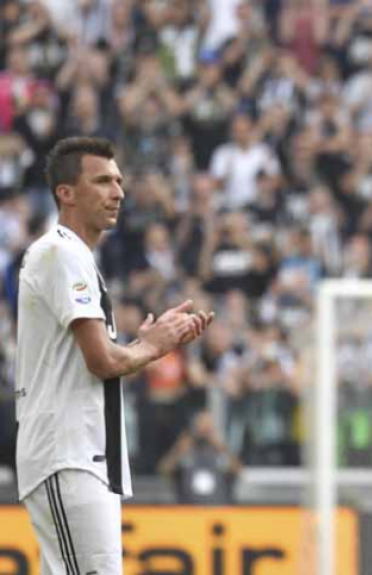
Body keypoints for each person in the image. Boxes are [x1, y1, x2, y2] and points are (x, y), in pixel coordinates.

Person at [14, 137, 214, 575]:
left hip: (80, 458)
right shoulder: (61, 252)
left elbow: (99, 360)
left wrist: (145, 346)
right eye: (102, 181)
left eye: (119, 181)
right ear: (65, 193)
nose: (118, 192)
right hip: (67, 455)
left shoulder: (75, 257)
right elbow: (101, 361)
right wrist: (154, 345)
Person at [158, 410, 242, 505]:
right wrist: (178, 450)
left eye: (207, 426)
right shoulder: (186, 452)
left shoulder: (220, 453)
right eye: (201, 425)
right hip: (189, 514)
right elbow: (164, 470)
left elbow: (238, 471)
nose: (204, 430)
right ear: (194, 428)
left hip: (217, 512)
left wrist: (223, 449)